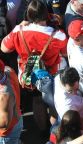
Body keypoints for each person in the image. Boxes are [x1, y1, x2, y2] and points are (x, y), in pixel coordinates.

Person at [1, 0, 68, 131]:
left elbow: (4, 48)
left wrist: (19, 26)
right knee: (53, 104)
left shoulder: (19, 31)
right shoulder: (58, 36)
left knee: (37, 101)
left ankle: (42, 131)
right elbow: (65, 53)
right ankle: (54, 134)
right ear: (46, 15)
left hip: (28, 74)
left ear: (28, 15)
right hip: (52, 75)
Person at [0, 59, 23, 144]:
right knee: (16, 143)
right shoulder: (8, 70)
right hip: (18, 119)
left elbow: (4, 123)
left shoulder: (4, 94)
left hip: (7, 133)